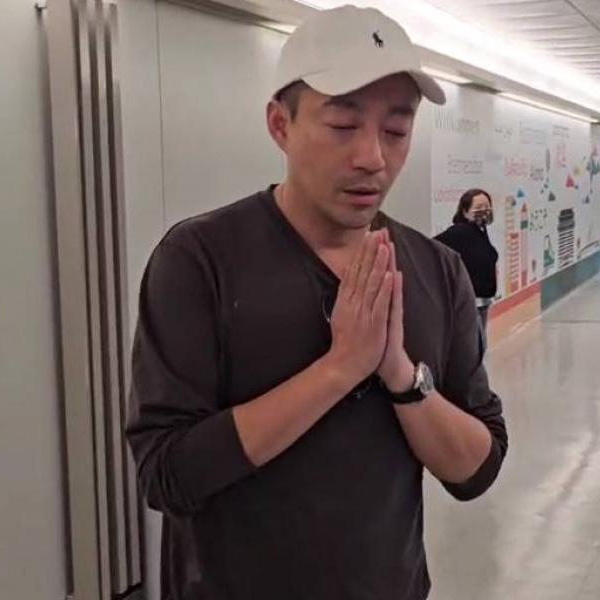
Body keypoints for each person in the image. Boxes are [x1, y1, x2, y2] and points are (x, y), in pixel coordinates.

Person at [126, 6, 508, 600]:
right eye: (342, 125)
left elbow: (476, 467)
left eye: (396, 131)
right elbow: (168, 474)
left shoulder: (437, 269)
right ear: (280, 125)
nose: (372, 157)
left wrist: (401, 376)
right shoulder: (200, 259)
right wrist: (338, 369)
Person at [434, 189, 499, 346]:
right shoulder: (459, 232)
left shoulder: (480, 231)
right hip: (470, 302)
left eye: (487, 206)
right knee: (474, 346)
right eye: (478, 207)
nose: (484, 211)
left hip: (482, 301)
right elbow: (433, 246)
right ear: (465, 211)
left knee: (479, 345)